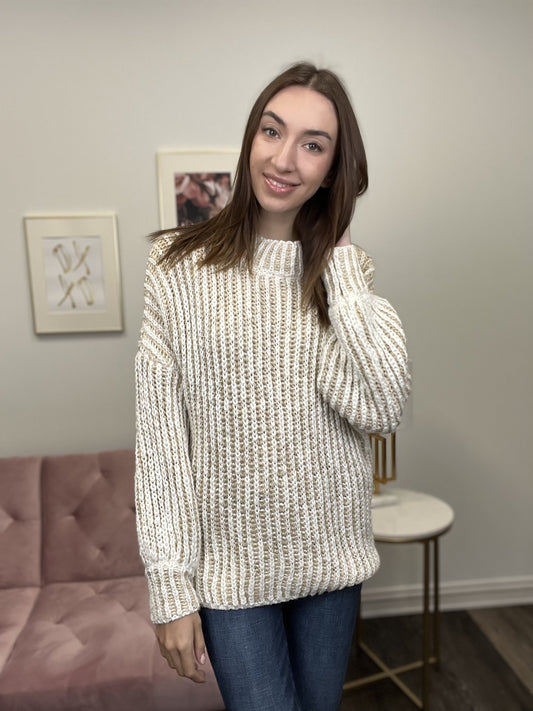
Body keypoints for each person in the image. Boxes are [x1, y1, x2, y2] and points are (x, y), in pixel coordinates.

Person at [135, 61, 410, 711]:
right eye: (271, 131)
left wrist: (338, 261)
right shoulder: (175, 266)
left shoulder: (345, 277)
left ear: (333, 169)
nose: (284, 159)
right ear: (250, 138)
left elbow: (381, 406)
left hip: (330, 564)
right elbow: (161, 442)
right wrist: (170, 588)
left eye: (313, 145)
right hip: (231, 575)